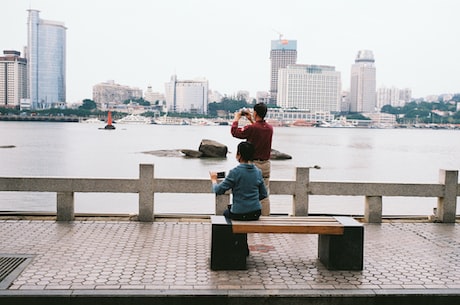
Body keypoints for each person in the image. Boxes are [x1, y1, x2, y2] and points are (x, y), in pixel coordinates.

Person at [230, 102, 273, 216]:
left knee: (248, 192)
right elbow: (259, 129)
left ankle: (248, 214)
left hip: (253, 165)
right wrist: (251, 120)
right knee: (264, 194)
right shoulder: (269, 128)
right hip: (266, 164)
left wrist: (236, 119)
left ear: (255, 112)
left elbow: (235, 132)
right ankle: (265, 218)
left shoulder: (252, 128)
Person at [209, 141, 267, 221]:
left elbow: (218, 190)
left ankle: (233, 233)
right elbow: (264, 194)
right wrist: (251, 201)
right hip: (255, 213)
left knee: (226, 213)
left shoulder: (235, 172)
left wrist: (214, 180)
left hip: (239, 213)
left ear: (239, 154)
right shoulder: (258, 172)